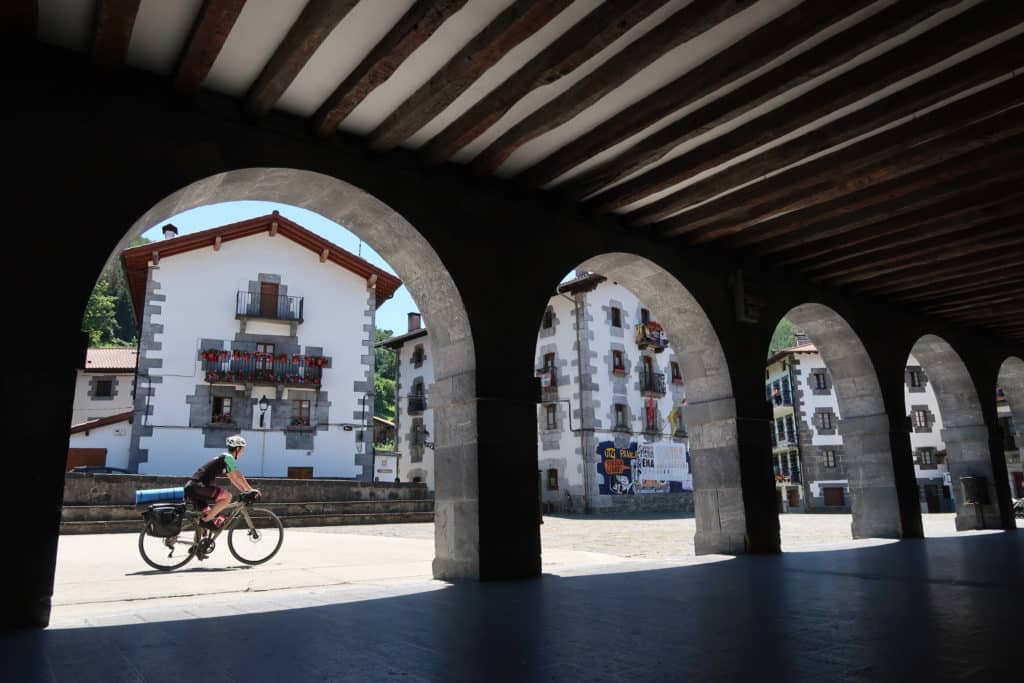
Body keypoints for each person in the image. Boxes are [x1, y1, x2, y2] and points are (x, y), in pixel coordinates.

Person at [185, 434, 259, 530]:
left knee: (208, 513)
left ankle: (198, 540)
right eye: (242, 450)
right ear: (238, 449)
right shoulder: (228, 457)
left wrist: (245, 491)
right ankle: (205, 522)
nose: (243, 453)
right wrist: (251, 490)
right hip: (198, 487)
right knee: (228, 497)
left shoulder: (224, 460)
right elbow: (239, 476)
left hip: (192, 487)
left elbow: (233, 479)